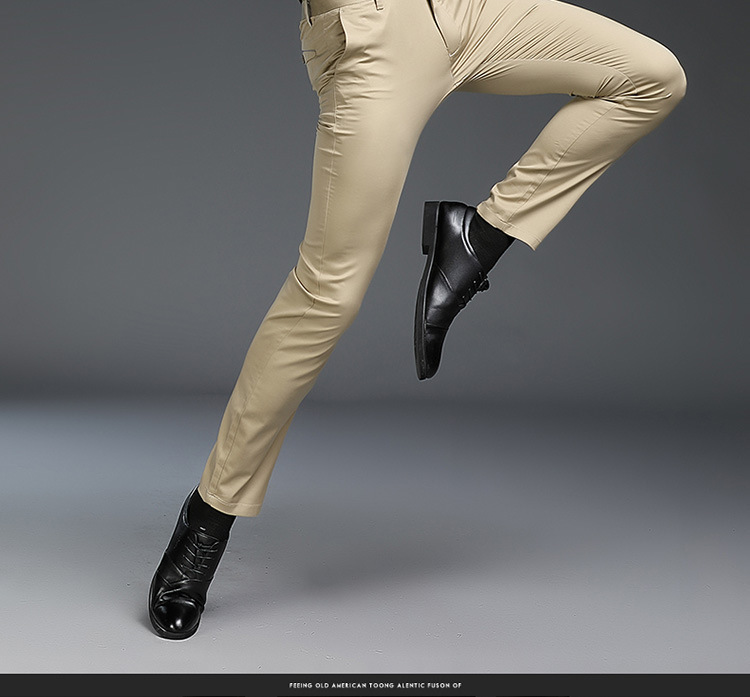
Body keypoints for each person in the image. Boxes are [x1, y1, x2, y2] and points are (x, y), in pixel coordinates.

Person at [148, 0, 686, 639]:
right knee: (327, 295)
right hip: (372, 33)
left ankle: (479, 237)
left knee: (653, 76)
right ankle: (210, 516)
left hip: (467, 8)